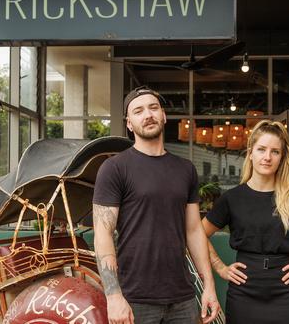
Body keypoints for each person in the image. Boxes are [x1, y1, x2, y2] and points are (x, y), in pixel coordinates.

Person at [92, 86, 220, 324]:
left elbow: (193, 230)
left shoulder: (185, 169)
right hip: (135, 298)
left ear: (163, 115)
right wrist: (113, 295)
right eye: (138, 111)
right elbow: (103, 232)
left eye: (153, 108)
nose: (147, 114)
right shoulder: (114, 168)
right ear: (129, 124)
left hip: (182, 297)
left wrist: (208, 286)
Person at [202, 120, 289, 324]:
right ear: (250, 152)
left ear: (282, 158)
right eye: (261, 149)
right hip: (244, 291)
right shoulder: (233, 198)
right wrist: (220, 267)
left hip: (285, 292)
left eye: (275, 152)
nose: (267, 157)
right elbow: (198, 234)